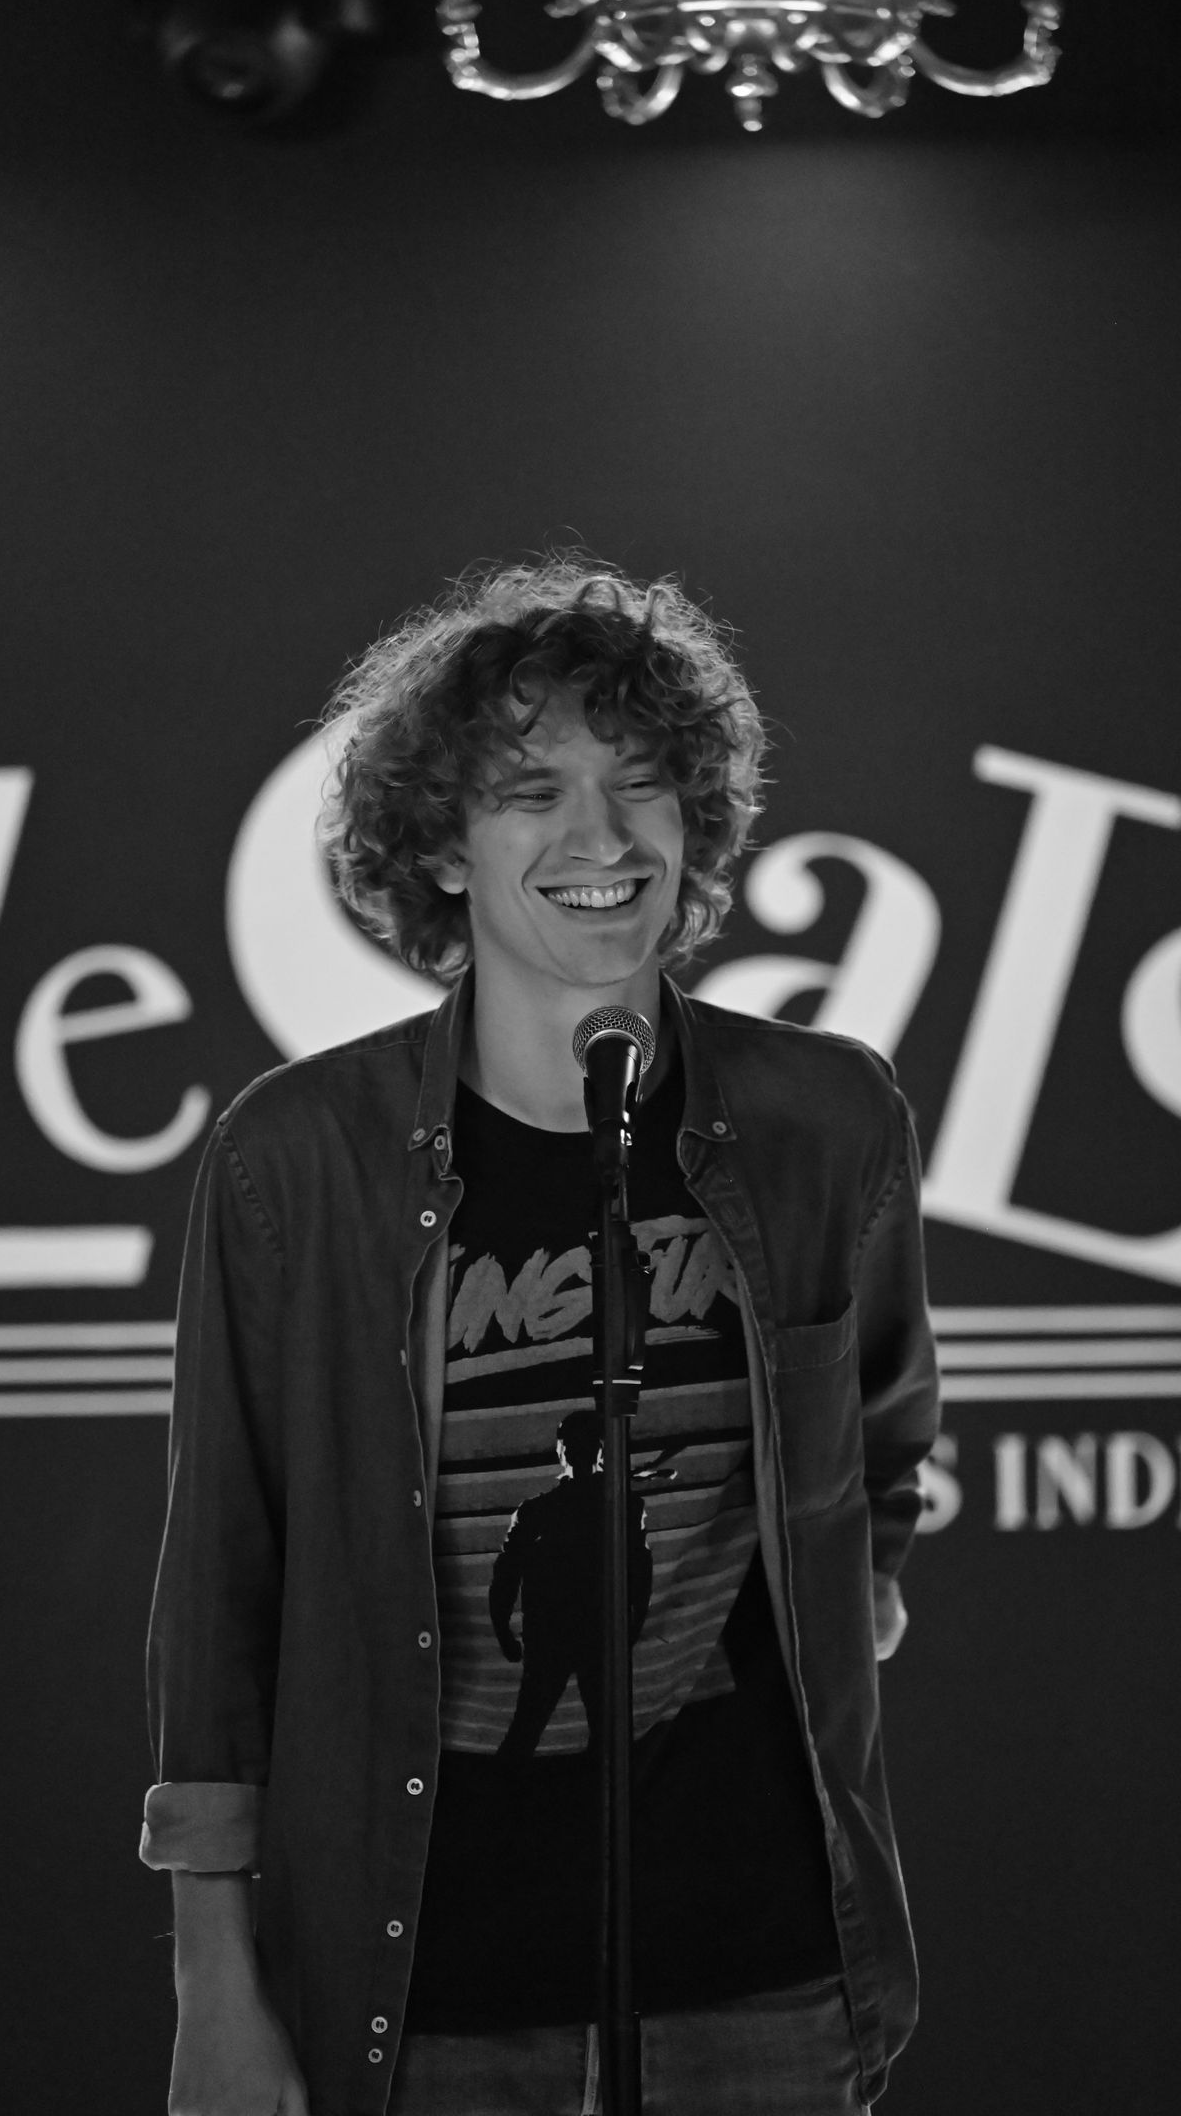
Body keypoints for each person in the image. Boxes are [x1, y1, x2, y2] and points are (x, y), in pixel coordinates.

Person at [141, 556, 940, 2116]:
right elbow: (221, 1595)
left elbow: (880, 1433)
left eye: (642, 785)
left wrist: (857, 1587)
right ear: (440, 845)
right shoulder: (294, 1159)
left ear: (694, 823)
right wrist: (215, 1992)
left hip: (766, 1976)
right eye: (531, 794)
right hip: (426, 1995)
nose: (600, 840)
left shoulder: (825, 1117)